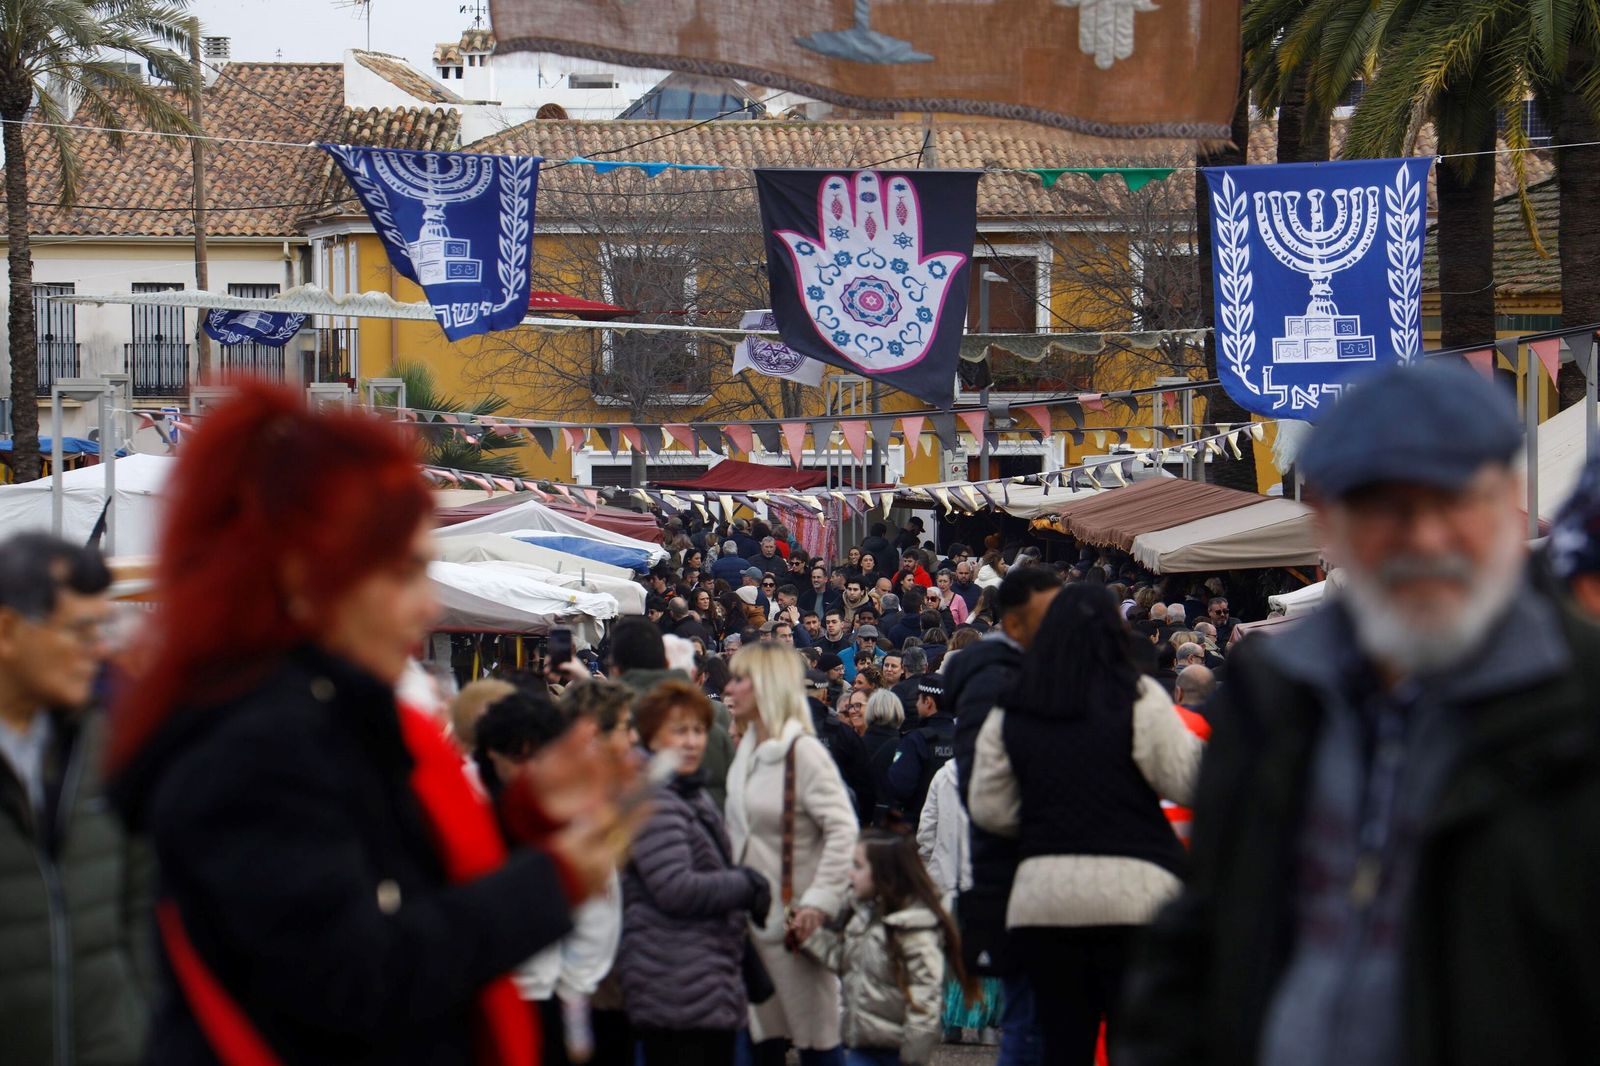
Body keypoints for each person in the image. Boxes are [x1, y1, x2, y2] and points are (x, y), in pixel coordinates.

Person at [107, 385, 637, 1065]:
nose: (425, 606)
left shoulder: (322, 714)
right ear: (305, 577)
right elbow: (355, 979)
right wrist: (547, 882)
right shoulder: (258, 748)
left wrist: (521, 823)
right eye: (405, 572)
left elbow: (387, 884)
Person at [1120, 362, 1598, 1066]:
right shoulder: (1273, 693)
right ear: (1331, 524)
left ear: (1507, 502)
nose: (1427, 540)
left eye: (1454, 501)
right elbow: (1211, 928)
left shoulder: (1581, 693)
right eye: (1390, 511)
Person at [968, 585, 1201, 1064]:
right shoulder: (1136, 695)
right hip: (1137, 892)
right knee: (1132, 1040)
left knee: (1062, 1041)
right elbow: (1186, 780)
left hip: (1044, 895)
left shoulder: (1015, 701)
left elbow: (989, 806)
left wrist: (1043, 812)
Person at [0, 535, 153, 1066]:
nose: (100, 649)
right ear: (8, 631)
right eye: (80, 630)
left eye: (102, 627)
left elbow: (139, 908)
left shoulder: (107, 749)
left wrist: (141, 1029)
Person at [618, 681, 770, 1066]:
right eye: (679, 731)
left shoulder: (686, 791)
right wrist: (745, 885)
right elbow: (674, 887)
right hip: (674, 977)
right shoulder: (655, 799)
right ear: (652, 737)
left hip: (699, 973)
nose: (691, 742)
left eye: (698, 731)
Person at [723, 643, 859, 1066]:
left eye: (740, 678)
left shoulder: (804, 752)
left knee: (818, 1048)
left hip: (794, 932)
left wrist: (819, 901)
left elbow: (844, 829)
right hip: (750, 933)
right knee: (760, 1047)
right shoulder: (747, 751)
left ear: (766, 686)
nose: (729, 688)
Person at [947, 567, 1061, 1066]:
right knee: (1028, 1011)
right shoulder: (994, 681)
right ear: (1016, 622)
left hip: (1040, 866)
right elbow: (984, 787)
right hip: (1012, 866)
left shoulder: (1038, 671)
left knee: (1040, 1011)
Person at [474, 691, 623, 1066]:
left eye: (535, 756)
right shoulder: (476, 808)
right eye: (516, 756)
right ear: (493, 753)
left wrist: (571, 985)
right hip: (486, 992)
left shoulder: (568, 816)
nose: (525, 769)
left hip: (548, 992)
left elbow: (599, 913)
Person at [802, 830, 977, 1066]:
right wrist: (809, 938)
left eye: (857, 866)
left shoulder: (914, 931)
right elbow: (844, 961)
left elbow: (925, 1000)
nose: (849, 872)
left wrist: (913, 1057)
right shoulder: (862, 918)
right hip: (862, 1045)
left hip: (896, 1054)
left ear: (882, 874)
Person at [884, 677, 955, 829]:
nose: (916, 704)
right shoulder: (966, 738)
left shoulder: (916, 740)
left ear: (928, 702)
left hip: (921, 824)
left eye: (919, 699)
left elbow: (899, 786)